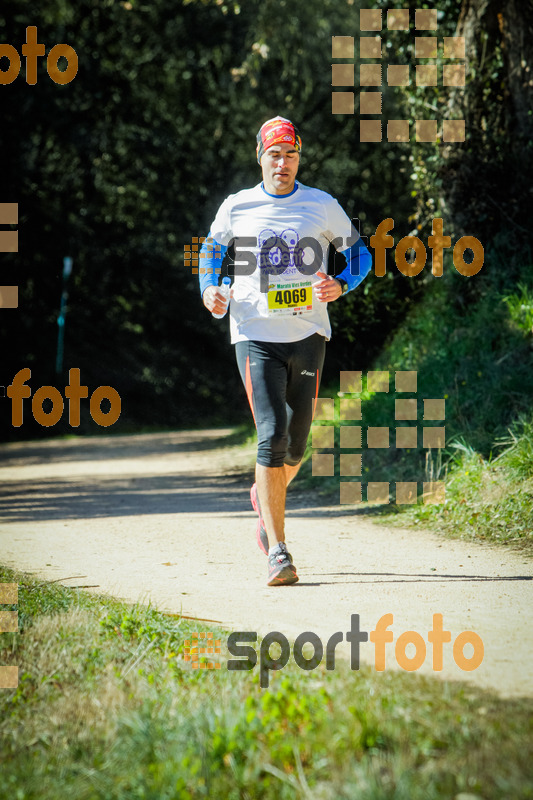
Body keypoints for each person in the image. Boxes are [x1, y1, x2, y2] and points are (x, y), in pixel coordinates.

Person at [199, 116, 372, 586]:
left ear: (299, 158)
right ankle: (278, 551)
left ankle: (264, 495)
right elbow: (211, 251)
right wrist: (209, 289)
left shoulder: (321, 205)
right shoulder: (238, 207)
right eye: (274, 155)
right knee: (271, 434)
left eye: (291, 154)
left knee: (296, 443)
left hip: (309, 334)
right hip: (254, 334)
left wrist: (341, 283)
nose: (283, 163)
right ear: (260, 157)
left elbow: (362, 254)